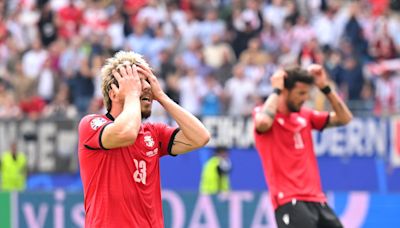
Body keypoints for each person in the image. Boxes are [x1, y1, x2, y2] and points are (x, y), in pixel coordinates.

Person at [78, 51, 210, 228]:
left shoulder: (153, 133)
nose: (146, 86)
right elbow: (126, 133)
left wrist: (162, 96)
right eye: (136, 82)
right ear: (114, 93)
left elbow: (201, 137)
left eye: (147, 81)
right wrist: (132, 95)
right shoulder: (91, 124)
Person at [253, 64, 353, 228]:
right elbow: (263, 123)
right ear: (285, 91)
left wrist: (324, 87)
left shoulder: (305, 116)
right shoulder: (263, 114)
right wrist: (276, 90)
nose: (306, 98)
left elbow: (345, 118)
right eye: (301, 93)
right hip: (289, 200)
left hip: (318, 200)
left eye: (307, 93)